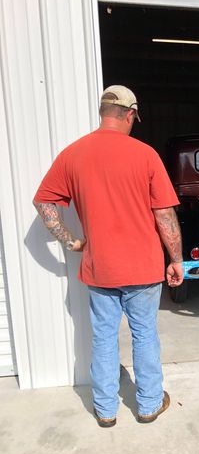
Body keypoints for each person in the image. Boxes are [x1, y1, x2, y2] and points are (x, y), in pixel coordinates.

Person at [33, 85, 183, 426]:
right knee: (144, 334)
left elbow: (44, 202)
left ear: (103, 112)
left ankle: (105, 411)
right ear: (130, 115)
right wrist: (176, 259)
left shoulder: (74, 154)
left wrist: (70, 241)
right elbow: (165, 216)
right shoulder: (145, 155)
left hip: (101, 267)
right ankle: (148, 405)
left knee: (103, 336)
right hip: (143, 267)